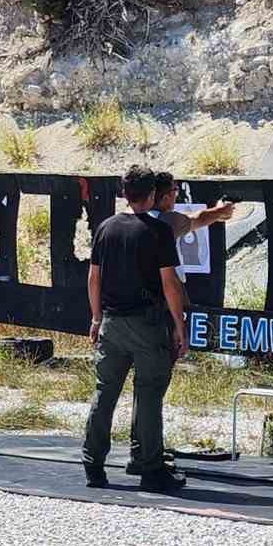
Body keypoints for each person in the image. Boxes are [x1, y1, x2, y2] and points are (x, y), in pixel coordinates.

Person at [82, 164, 189, 493]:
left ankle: (93, 463)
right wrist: (179, 325)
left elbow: (94, 278)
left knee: (105, 392)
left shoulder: (106, 228)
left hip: (112, 323)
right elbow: (169, 283)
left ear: (124, 193)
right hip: (147, 323)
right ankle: (150, 466)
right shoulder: (157, 232)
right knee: (149, 394)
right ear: (154, 195)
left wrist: (96, 317)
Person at [121, 170, 236, 476]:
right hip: (158, 314)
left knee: (133, 388)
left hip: (126, 312)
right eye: (172, 190)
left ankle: (139, 450)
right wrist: (222, 212)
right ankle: (147, 455)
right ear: (163, 195)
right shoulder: (167, 222)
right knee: (152, 387)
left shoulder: (126, 222)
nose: (176, 195)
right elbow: (199, 219)